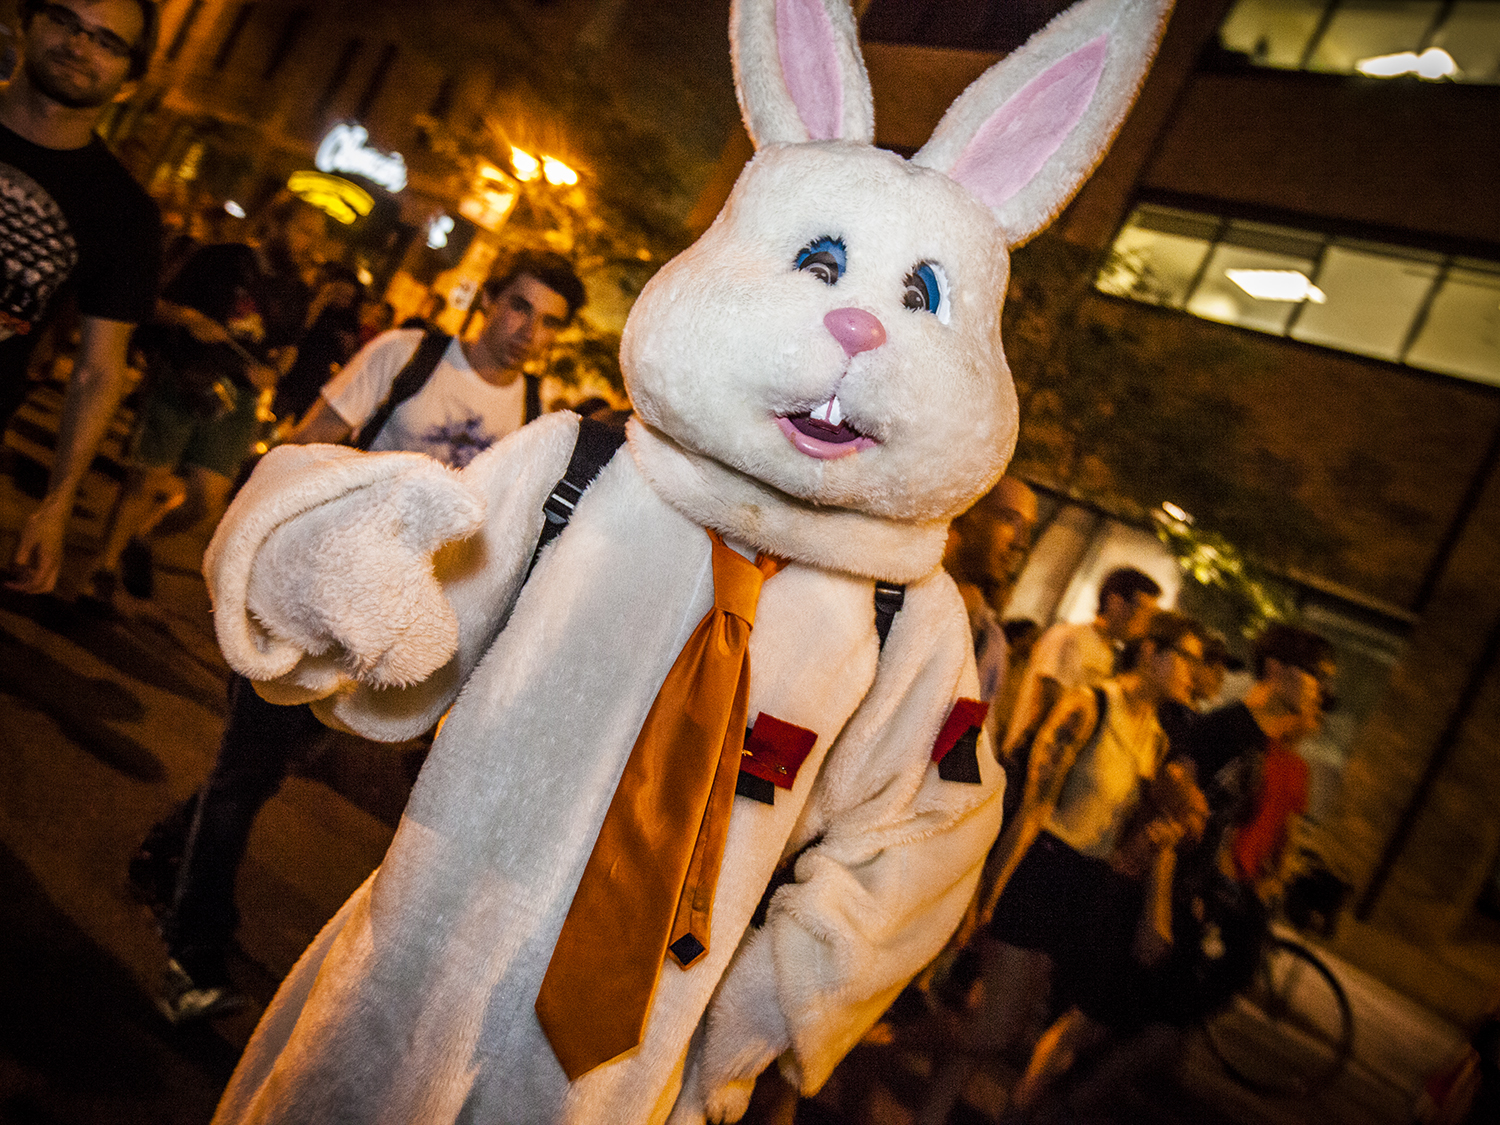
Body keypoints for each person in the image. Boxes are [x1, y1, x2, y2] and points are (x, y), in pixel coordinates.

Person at [130, 250, 585, 1024]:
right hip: (316, 595)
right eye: (518, 306)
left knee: (269, 767)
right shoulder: (405, 357)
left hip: (388, 631)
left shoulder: (540, 414)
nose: (526, 331)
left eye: (546, 322)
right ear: (488, 300)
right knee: (247, 767)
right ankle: (193, 951)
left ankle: (159, 855)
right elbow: (308, 446)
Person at [917, 611, 1206, 1125]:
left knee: (999, 1023)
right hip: (1040, 870)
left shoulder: (1156, 740)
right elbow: (1034, 809)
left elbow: (1121, 841)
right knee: (995, 1029)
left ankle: (930, 1114)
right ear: (1150, 652)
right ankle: (879, 1034)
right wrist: (988, 895)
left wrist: (1157, 837)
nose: (1195, 674)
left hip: (1085, 888)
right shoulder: (1089, 706)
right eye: (1187, 659)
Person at [85, 194, 323, 602]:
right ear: (276, 225)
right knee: (144, 480)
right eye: (303, 230)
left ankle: (140, 538)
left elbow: (288, 350)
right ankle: (101, 569)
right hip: (183, 377)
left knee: (206, 498)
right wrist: (188, 319)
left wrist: (276, 369)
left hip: (239, 401)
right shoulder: (217, 259)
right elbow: (153, 303)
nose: (309, 242)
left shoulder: (296, 291)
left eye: (316, 236)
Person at [1, 0, 162, 595]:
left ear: (130, 76)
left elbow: (99, 370)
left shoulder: (124, 214)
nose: (79, 45)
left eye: (107, 42)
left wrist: (59, 501)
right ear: (27, 20)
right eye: (66, 21)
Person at [1002, 566, 1162, 757]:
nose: (1146, 622)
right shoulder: (1069, 638)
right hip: (1033, 757)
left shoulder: (1113, 655)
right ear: (1115, 602)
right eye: (1143, 610)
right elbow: (1046, 705)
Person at [943, 476, 1038, 704]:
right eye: (1008, 519)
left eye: (1026, 528)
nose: (1020, 542)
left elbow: (971, 729)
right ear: (967, 511)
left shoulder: (991, 640)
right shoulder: (894, 589)